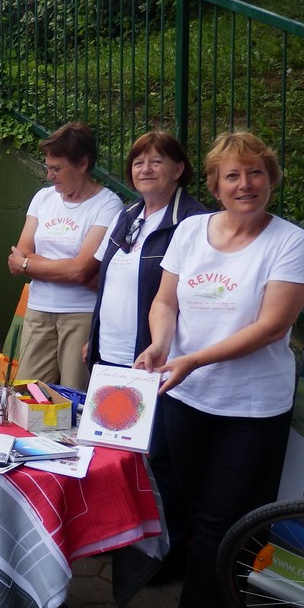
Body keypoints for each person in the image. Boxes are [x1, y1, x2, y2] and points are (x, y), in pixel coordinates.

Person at [134, 131, 304, 608]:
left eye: (256, 172)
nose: (246, 184)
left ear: (271, 179)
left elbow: (272, 327)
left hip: (252, 406)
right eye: (232, 175)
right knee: (196, 510)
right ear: (214, 185)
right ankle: (219, 603)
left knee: (223, 519)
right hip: (186, 396)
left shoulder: (290, 242)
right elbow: (165, 301)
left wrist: (192, 359)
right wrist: (162, 344)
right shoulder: (191, 231)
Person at [87, 130, 208, 581]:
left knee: (158, 462)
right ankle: (117, 540)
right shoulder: (128, 215)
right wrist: (95, 336)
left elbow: (182, 298)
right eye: (138, 161)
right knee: (113, 454)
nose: (145, 168)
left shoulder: (194, 222)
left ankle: (164, 556)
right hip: (111, 356)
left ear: (179, 170)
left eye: (157, 161)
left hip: (155, 362)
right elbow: (105, 281)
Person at [7, 122, 122, 390]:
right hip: (38, 309)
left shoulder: (108, 204)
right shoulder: (43, 198)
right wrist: (66, 268)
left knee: (75, 393)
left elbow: (81, 269)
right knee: (27, 392)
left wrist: (28, 264)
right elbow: (19, 254)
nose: (50, 176)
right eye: (48, 167)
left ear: (83, 164)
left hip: (81, 313)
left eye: (57, 169)